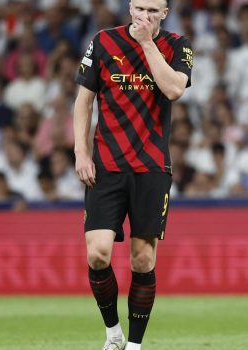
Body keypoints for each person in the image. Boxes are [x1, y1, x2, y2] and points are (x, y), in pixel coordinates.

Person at [73, 1, 192, 349]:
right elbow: (84, 100)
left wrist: (146, 43)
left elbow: (173, 89)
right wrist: (81, 152)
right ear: (129, 7)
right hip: (107, 165)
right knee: (97, 253)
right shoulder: (104, 41)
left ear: (164, 14)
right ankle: (113, 335)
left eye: (154, 10)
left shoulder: (177, 46)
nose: (145, 15)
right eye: (140, 7)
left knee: (143, 260)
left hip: (151, 167)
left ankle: (136, 346)